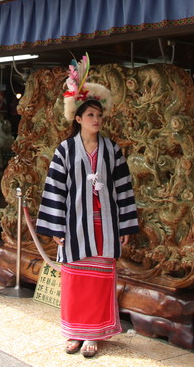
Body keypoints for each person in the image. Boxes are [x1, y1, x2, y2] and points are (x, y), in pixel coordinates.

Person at [36, 54, 139, 359]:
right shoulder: (65, 150)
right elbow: (54, 189)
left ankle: (93, 334)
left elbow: (123, 188)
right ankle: (74, 332)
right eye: (90, 115)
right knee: (75, 281)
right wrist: (56, 228)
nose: (96, 120)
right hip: (74, 225)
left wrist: (125, 226)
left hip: (104, 225)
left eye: (99, 115)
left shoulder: (112, 150)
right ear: (78, 119)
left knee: (99, 282)